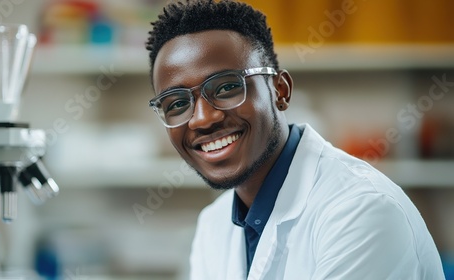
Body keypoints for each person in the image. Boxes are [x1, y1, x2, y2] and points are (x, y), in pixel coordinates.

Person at [145, 1, 445, 279]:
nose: (202, 119)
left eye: (226, 88)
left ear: (280, 91)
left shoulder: (362, 211)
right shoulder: (214, 224)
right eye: (176, 104)